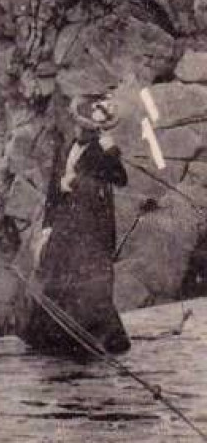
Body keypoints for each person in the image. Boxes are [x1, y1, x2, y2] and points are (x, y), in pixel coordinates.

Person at [22, 93, 131, 356]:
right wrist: (47, 225)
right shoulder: (68, 146)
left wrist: (110, 150)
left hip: (92, 226)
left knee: (90, 280)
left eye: (84, 127)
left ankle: (96, 336)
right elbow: (52, 190)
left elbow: (120, 178)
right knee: (55, 271)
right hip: (65, 221)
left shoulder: (102, 150)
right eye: (78, 125)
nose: (79, 130)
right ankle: (52, 338)